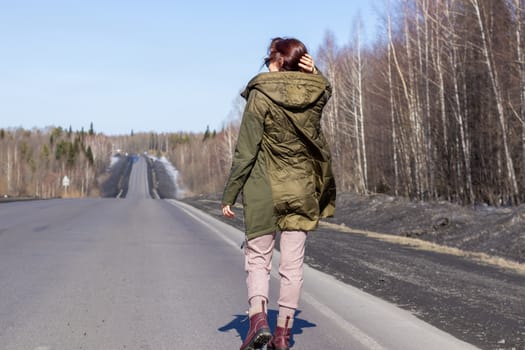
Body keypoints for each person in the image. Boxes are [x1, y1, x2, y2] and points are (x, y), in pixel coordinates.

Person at [222, 37, 336, 350]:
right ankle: (283, 337)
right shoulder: (314, 92)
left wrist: (230, 194)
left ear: (275, 60)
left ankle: (258, 321)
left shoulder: (260, 95)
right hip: (301, 191)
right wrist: (315, 74)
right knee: (292, 266)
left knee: (258, 259)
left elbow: (246, 151)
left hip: (265, 190)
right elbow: (326, 91)